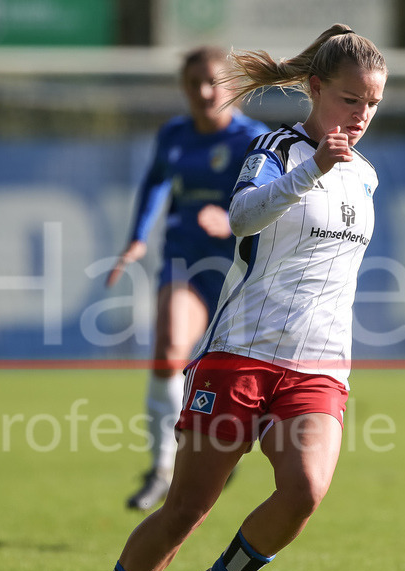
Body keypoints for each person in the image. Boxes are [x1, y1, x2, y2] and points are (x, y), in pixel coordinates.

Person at [80, 24, 388, 571]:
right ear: (315, 89)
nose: (360, 116)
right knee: (184, 510)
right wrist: (311, 172)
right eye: (350, 100)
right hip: (240, 357)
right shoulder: (275, 150)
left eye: (373, 104)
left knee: (305, 491)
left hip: (319, 368)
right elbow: (241, 216)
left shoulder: (367, 178)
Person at [108, 47, 269, 511]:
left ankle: (221, 449)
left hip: (239, 272)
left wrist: (236, 219)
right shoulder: (174, 135)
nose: (204, 91)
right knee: (168, 350)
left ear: (233, 85)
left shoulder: (253, 140)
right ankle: (162, 467)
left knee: (241, 380)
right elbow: (156, 181)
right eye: (194, 82)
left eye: (214, 81)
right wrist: (138, 237)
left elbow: (273, 201)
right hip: (185, 262)